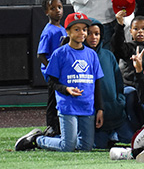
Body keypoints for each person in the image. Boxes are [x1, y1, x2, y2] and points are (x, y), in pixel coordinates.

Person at [15, 13, 104, 152]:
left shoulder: (92, 54)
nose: (82, 33)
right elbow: (52, 82)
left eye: (84, 29)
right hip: (68, 105)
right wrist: (66, 89)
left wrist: (100, 109)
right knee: (67, 146)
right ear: (67, 31)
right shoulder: (59, 53)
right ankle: (37, 139)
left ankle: (50, 140)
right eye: (77, 29)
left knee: (86, 147)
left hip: (87, 106)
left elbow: (97, 83)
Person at [86, 19, 134, 149]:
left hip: (116, 114)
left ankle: (114, 136)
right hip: (95, 118)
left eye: (97, 34)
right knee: (99, 146)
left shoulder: (108, 55)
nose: (93, 37)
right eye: (89, 33)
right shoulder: (82, 57)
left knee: (132, 141)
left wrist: (119, 101)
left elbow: (118, 81)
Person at [37, 0, 66, 137]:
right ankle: (51, 126)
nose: (57, 11)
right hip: (53, 73)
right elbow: (41, 54)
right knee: (52, 99)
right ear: (46, 12)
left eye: (59, 7)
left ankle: (60, 126)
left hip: (62, 71)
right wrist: (51, 69)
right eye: (53, 8)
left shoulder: (63, 29)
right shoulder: (48, 31)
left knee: (59, 97)